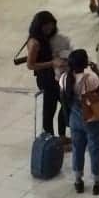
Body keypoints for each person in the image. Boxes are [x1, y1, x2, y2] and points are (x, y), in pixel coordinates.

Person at [59, 49, 99, 195]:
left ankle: (78, 181)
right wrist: (98, 72)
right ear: (85, 63)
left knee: (77, 149)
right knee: (95, 151)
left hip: (74, 119)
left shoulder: (64, 78)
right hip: (92, 119)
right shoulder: (90, 78)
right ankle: (97, 183)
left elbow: (64, 100)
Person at [26, 11, 69, 147]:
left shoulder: (47, 37)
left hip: (55, 75)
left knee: (65, 104)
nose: (49, 29)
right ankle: (51, 141)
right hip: (46, 79)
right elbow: (30, 65)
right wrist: (52, 63)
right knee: (50, 109)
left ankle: (61, 137)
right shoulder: (34, 43)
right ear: (40, 26)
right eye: (47, 27)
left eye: (51, 26)